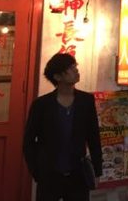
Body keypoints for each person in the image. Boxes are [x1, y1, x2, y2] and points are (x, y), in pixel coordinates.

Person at [23, 53, 102, 201]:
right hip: (49, 175)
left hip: (78, 174)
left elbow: (93, 137)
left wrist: (97, 171)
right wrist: (37, 172)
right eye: (70, 68)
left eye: (75, 66)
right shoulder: (41, 105)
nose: (76, 70)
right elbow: (28, 141)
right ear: (57, 77)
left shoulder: (86, 101)